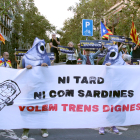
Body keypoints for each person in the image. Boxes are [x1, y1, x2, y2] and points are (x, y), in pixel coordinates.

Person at [19, 37, 51, 139]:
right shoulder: (25, 57)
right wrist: (25, 68)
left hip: (41, 88)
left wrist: (46, 67)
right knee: (27, 109)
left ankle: (44, 129)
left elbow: (51, 73)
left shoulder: (46, 58)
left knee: (42, 108)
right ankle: (25, 131)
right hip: (29, 87)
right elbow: (18, 70)